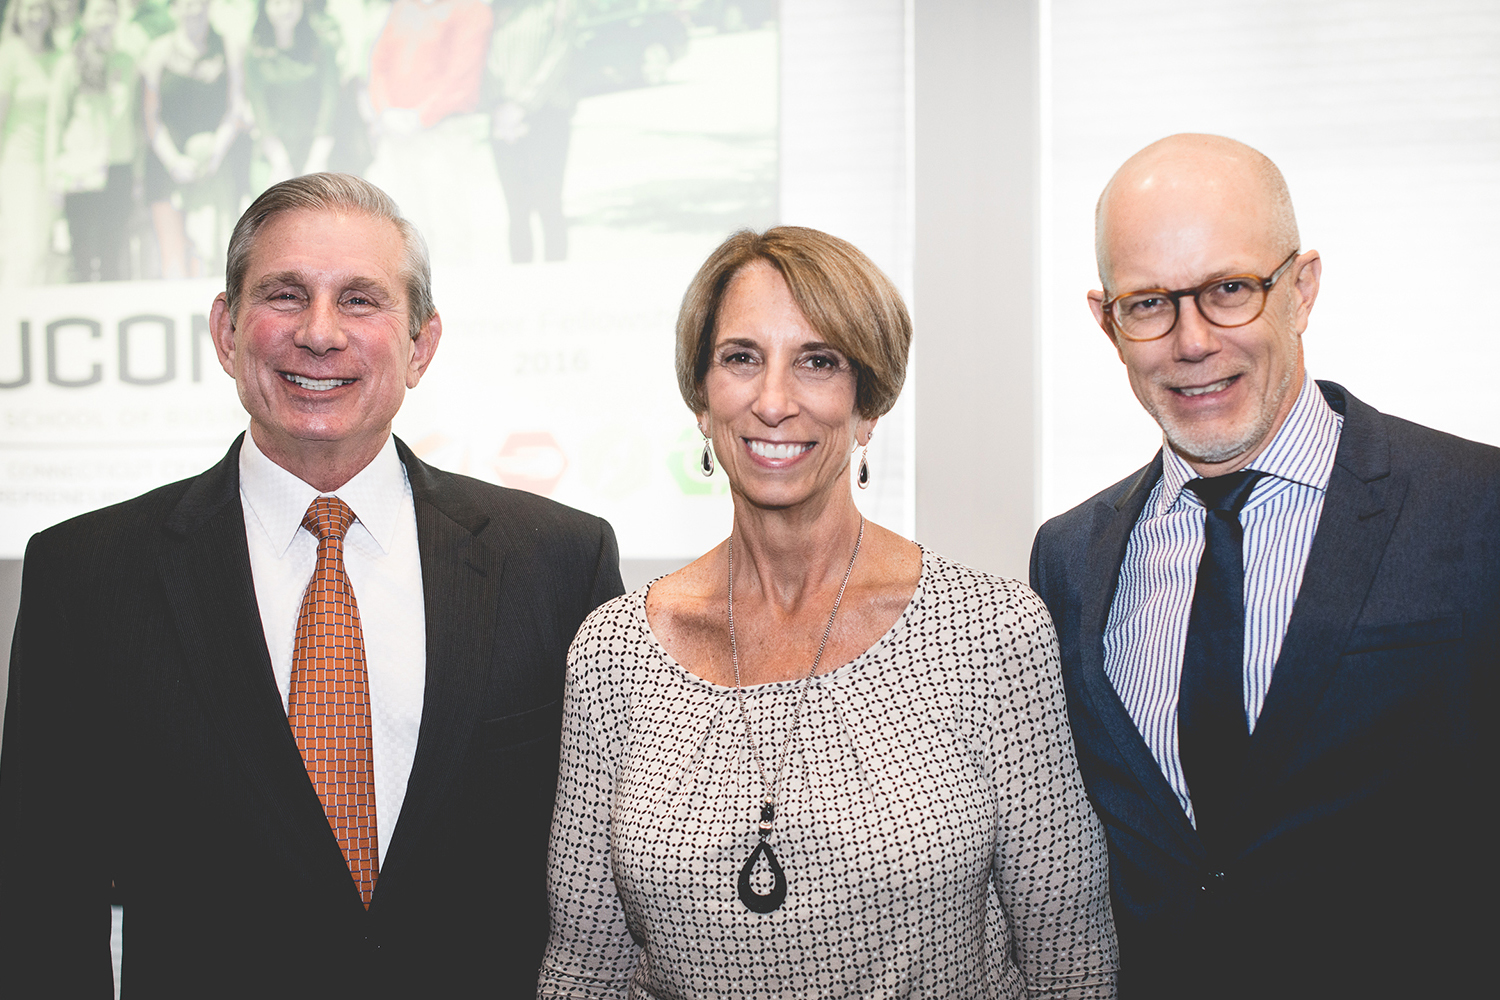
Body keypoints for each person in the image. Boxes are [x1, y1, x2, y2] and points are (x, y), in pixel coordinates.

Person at [0, 172, 624, 997]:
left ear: (421, 344)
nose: (320, 334)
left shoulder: (558, 562)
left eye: (361, 300)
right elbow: (42, 907)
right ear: (226, 332)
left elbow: (607, 897)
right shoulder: (85, 576)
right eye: (285, 296)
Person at [540, 226, 1118, 998]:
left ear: (868, 404)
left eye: (818, 361)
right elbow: (587, 966)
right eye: (741, 358)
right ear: (703, 400)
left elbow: (1069, 954)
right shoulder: (614, 652)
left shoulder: (991, 632)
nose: (774, 401)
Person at [1028, 134, 1496, 999]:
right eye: (1149, 304)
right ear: (1106, 321)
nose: (1192, 341)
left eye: (1230, 290)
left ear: (1303, 288)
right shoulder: (1068, 561)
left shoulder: (1479, 508)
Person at [139, 0, 248, 277]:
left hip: (215, 166)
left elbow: (235, 108)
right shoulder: (157, 53)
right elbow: (150, 117)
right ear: (174, 8)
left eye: (200, 3)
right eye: (185, 4)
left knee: (216, 255)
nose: (194, 9)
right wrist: (174, 162)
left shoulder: (228, 47)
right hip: (167, 169)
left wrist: (215, 153)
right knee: (174, 258)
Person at [45, 0, 138, 281]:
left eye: (110, 12)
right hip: (80, 171)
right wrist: (53, 176)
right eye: (98, 13)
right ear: (84, 18)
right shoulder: (69, 63)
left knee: (113, 255)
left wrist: (139, 173)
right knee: (82, 256)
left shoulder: (127, 62)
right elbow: (56, 122)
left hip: (119, 167)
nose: (105, 19)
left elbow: (134, 119)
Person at [486, 0, 575, 263]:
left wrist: (523, 105)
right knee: (516, 208)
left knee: (549, 204)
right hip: (502, 119)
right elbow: (485, 61)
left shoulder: (556, 7)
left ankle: (556, 280)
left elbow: (558, 55)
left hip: (547, 116)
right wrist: (501, 107)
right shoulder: (493, 10)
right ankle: (522, 285)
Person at [243, 0, 339, 187]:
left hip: (316, 151)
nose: (285, 8)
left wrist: (316, 161)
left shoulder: (321, 46)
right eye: (277, 3)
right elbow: (260, 112)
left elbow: (330, 103)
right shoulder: (254, 53)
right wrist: (280, 163)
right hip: (271, 153)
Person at [0, 0, 60, 286]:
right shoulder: (8, 55)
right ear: (18, 15)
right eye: (29, 8)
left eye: (41, 9)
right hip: (18, 164)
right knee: (21, 247)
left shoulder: (57, 56)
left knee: (44, 247)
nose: (36, 16)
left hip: (52, 167)